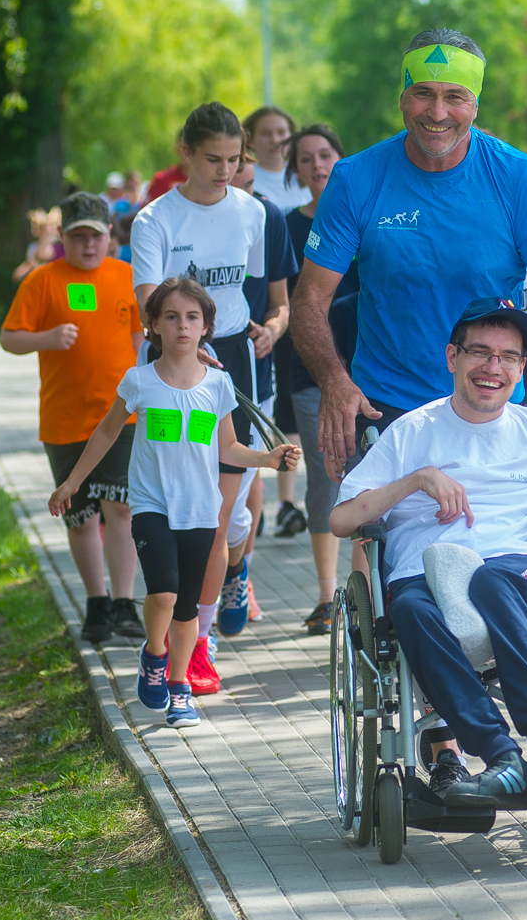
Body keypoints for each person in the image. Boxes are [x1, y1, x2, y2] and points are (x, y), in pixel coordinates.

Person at [331, 297, 527, 805]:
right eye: (480, 353)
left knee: (488, 580)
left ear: (522, 367)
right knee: (412, 608)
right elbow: (341, 518)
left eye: (508, 357)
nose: (493, 368)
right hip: (425, 573)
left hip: (512, 564)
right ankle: (502, 757)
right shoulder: (412, 431)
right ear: (452, 357)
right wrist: (416, 480)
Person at [291, 28, 527, 483]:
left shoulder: (518, 177)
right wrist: (333, 381)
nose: (438, 112)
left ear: (476, 105)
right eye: (423, 93)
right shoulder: (355, 179)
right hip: (386, 410)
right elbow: (308, 299)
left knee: (499, 549)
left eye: (455, 97)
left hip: (493, 409)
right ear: (402, 97)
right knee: (392, 551)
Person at [48, 278, 299, 728]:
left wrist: (269, 458)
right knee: (163, 593)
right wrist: (72, 482)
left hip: (201, 509)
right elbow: (106, 432)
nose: (182, 325)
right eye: (171, 316)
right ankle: (154, 652)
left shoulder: (220, 385)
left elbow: (228, 449)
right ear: (154, 326)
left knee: (186, 606)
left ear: (206, 328)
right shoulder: (139, 380)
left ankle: (179, 685)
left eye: (192, 317)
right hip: (151, 505)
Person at [130, 101, 287, 694]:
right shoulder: (154, 221)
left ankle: (199, 646)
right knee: (183, 513)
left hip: (232, 362)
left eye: (234, 160)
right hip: (174, 366)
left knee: (219, 519)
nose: (225, 171)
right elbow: (152, 305)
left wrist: (267, 326)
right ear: (186, 153)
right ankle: (170, 636)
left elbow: (254, 291)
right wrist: (188, 347)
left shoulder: (253, 213)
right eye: (213, 160)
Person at [1, 192, 145, 643]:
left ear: (110, 240)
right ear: (62, 238)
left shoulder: (127, 276)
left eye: (95, 237)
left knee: (121, 507)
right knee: (79, 514)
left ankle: (125, 602)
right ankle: (96, 603)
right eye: (78, 237)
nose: (88, 246)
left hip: (122, 418)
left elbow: (142, 333)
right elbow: (9, 338)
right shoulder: (43, 280)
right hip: (65, 419)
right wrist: (45, 337)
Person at [279, 124, 359, 633]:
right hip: (309, 370)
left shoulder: (364, 213)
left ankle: (372, 593)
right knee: (325, 476)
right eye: (305, 159)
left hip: (369, 365)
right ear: (295, 170)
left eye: (325, 155)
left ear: (340, 159)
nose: (317, 166)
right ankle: (328, 596)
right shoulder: (286, 226)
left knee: (372, 477)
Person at [226, 150, 300, 625]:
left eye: (253, 184)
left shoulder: (267, 217)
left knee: (247, 477)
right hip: (198, 366)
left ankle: (239, 573)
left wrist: (271, 331)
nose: (247, 195)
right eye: (238, 183)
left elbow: (282, 304)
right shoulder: (182, 219)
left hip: (252, 368)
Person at [242, 106, 311, 211]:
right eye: (266, 134)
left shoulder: (306, 172)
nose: (275, 140)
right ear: (250, 139)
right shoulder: (243, 178)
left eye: (281, 132)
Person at [14, 208, 63, 282]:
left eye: (36, 227)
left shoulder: (54, 243)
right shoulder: (33, 246)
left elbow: (41, 254)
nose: (33, 230)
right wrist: (22, 270)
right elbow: (30, 263)